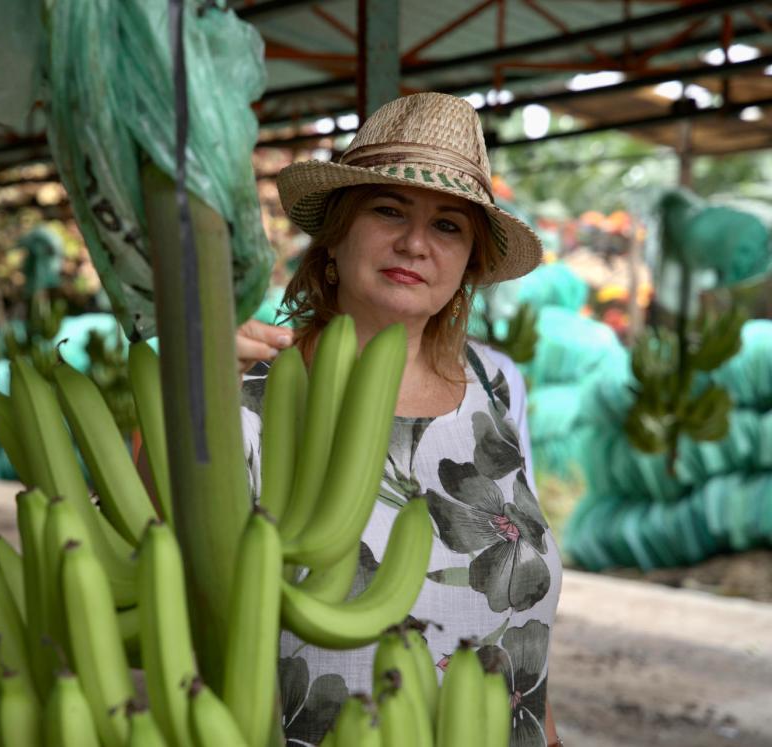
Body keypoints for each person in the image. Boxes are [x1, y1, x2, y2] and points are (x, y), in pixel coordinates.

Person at [237, 92, 564, 747]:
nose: (415, 243)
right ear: (336, 235)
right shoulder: (248, 390)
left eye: (448, 225)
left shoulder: (498, 386)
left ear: (469, 261)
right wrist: (185, 397)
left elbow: (524, 632)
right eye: (389, 210)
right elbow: (155, 565)